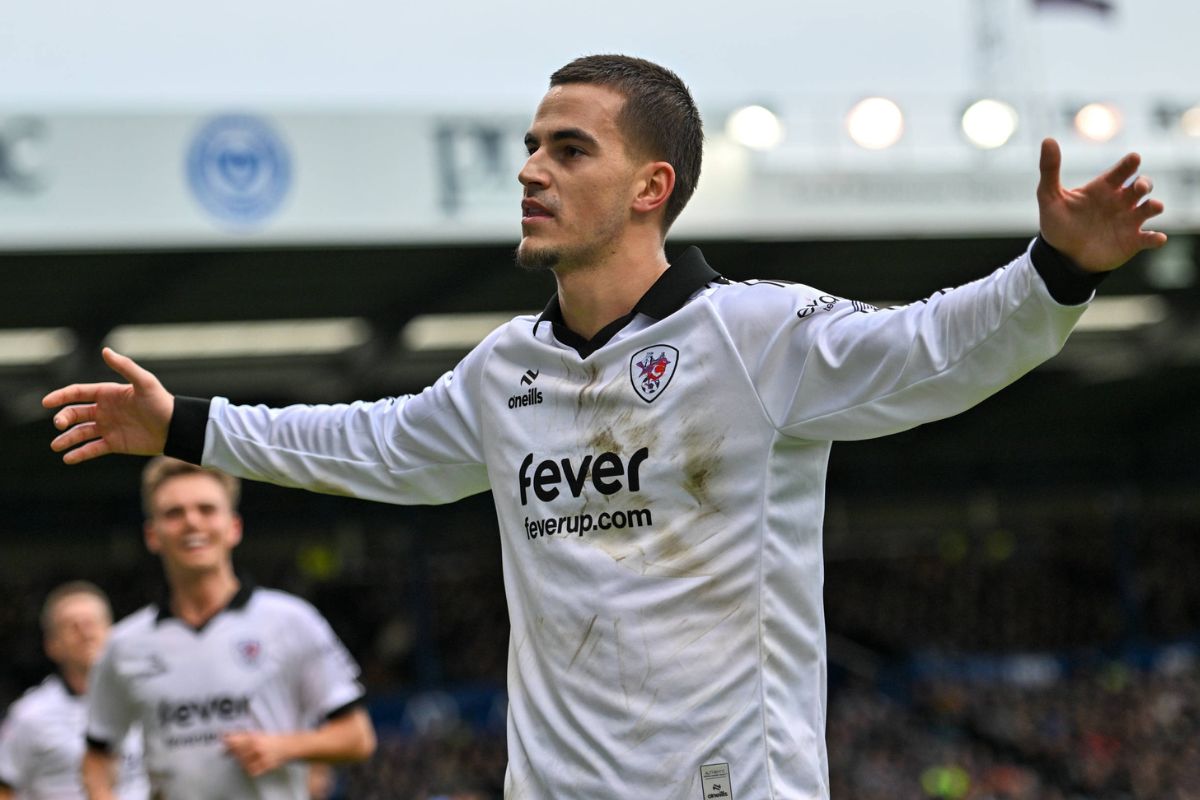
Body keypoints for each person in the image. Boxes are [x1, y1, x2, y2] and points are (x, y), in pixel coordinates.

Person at [43, 54, 1166, 800]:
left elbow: (936, 349)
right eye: (532, 145)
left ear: (650, 186)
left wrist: (1056, 271)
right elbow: (373, 444)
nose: (531, 169)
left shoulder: (756, 333)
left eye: (569, 149)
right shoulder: (507, 369)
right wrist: (190, 422)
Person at [79, 457, 376, 800]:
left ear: (234, 526)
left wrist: (283, 747)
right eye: (173, 513)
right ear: (152, 535)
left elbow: (358, 737)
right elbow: (97, 754)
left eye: (206, 509)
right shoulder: (124, 645)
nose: (191, 522)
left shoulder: (292, 621)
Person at [0, 582, 148, 800]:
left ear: (113, 632)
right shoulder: (29, 716)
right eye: (72, 626)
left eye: (92, 623)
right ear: (52, 645)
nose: (85, 633)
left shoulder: (148, 698)